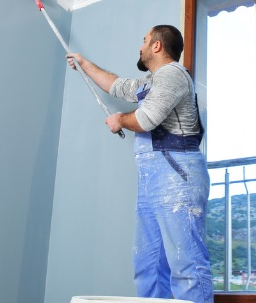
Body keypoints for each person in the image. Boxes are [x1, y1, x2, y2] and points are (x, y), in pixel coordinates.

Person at [66, 25, 213, 303]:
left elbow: (148, 118)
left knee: (186, 265)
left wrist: (120, 120)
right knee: (149, 268)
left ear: (157, 46)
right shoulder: (152, 82)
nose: (141, 46)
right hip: (154, 180)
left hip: (176, 176)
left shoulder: (172, 74)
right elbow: (117, 85)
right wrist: (85, 65)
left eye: (144, 41)